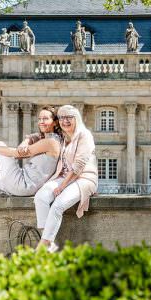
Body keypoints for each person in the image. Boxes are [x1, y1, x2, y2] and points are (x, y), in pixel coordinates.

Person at [34, 105, 98, 253]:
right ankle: (48, 240)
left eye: (69, 117)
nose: (65, 121)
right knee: (41, 197)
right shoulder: (63, 136)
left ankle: (44, 245)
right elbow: (42, 134)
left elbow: (79, 166)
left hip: (84, 178)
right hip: (64, 176)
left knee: (58, 206)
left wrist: (62, 186)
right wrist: (29, 139)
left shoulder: (84, 135)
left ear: (76, 119)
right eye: (62, 117)